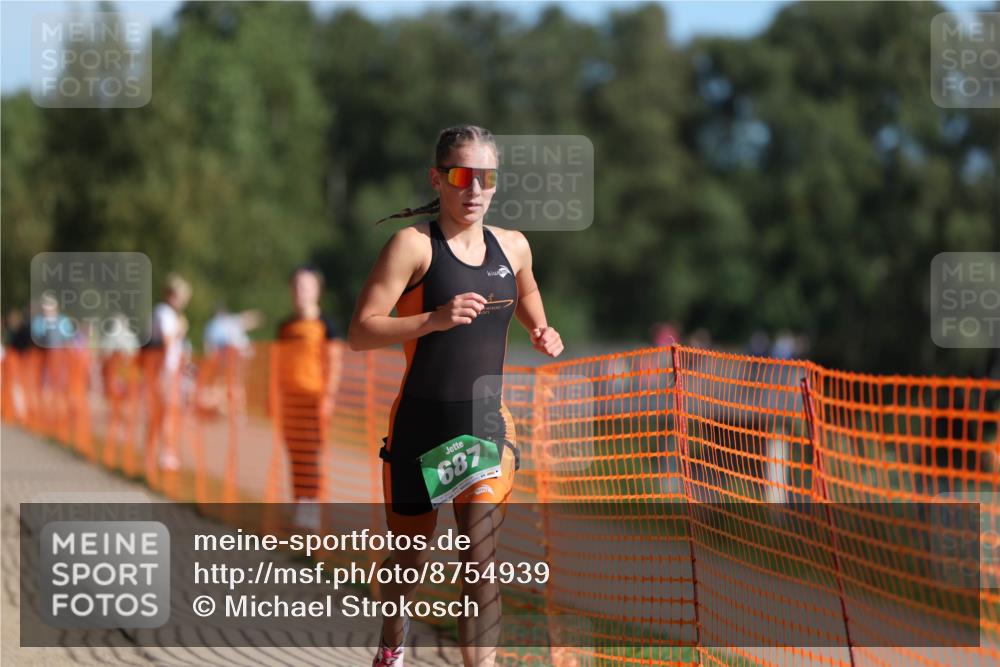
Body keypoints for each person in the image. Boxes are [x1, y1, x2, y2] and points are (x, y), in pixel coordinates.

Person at [348, 125, 563, 667]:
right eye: (462, 175)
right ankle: (392, 643)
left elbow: (527, 287)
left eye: (486, 177)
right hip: (420, 425)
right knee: (407, 563)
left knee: (480, 559)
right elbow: (361, 331)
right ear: (437, 178)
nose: (475, 189)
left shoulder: (513, 246)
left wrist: (540, 327)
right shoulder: (413, 247)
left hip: (486, 424)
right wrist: (433, 319)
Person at [275, 266, 343, 529]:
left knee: (311, 454)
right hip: (289, 402)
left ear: (317, 291)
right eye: (296, 286)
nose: (300, 291)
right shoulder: (285, 327)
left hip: (313, 400)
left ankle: (312, 507)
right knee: (295, 454)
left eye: (305, 286)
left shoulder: (326, 326)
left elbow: (333, 364)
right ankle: (299, 504)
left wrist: (328, 399)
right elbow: (278, 365)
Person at [142, 273, 192, 475]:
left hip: (168, 369)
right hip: (162, 370)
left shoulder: (169, 314)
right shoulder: (164, 313)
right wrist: (180, 330)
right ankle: (163, 453)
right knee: (164, 413)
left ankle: (159, 452)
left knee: (166, 413)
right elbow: (166, 340)